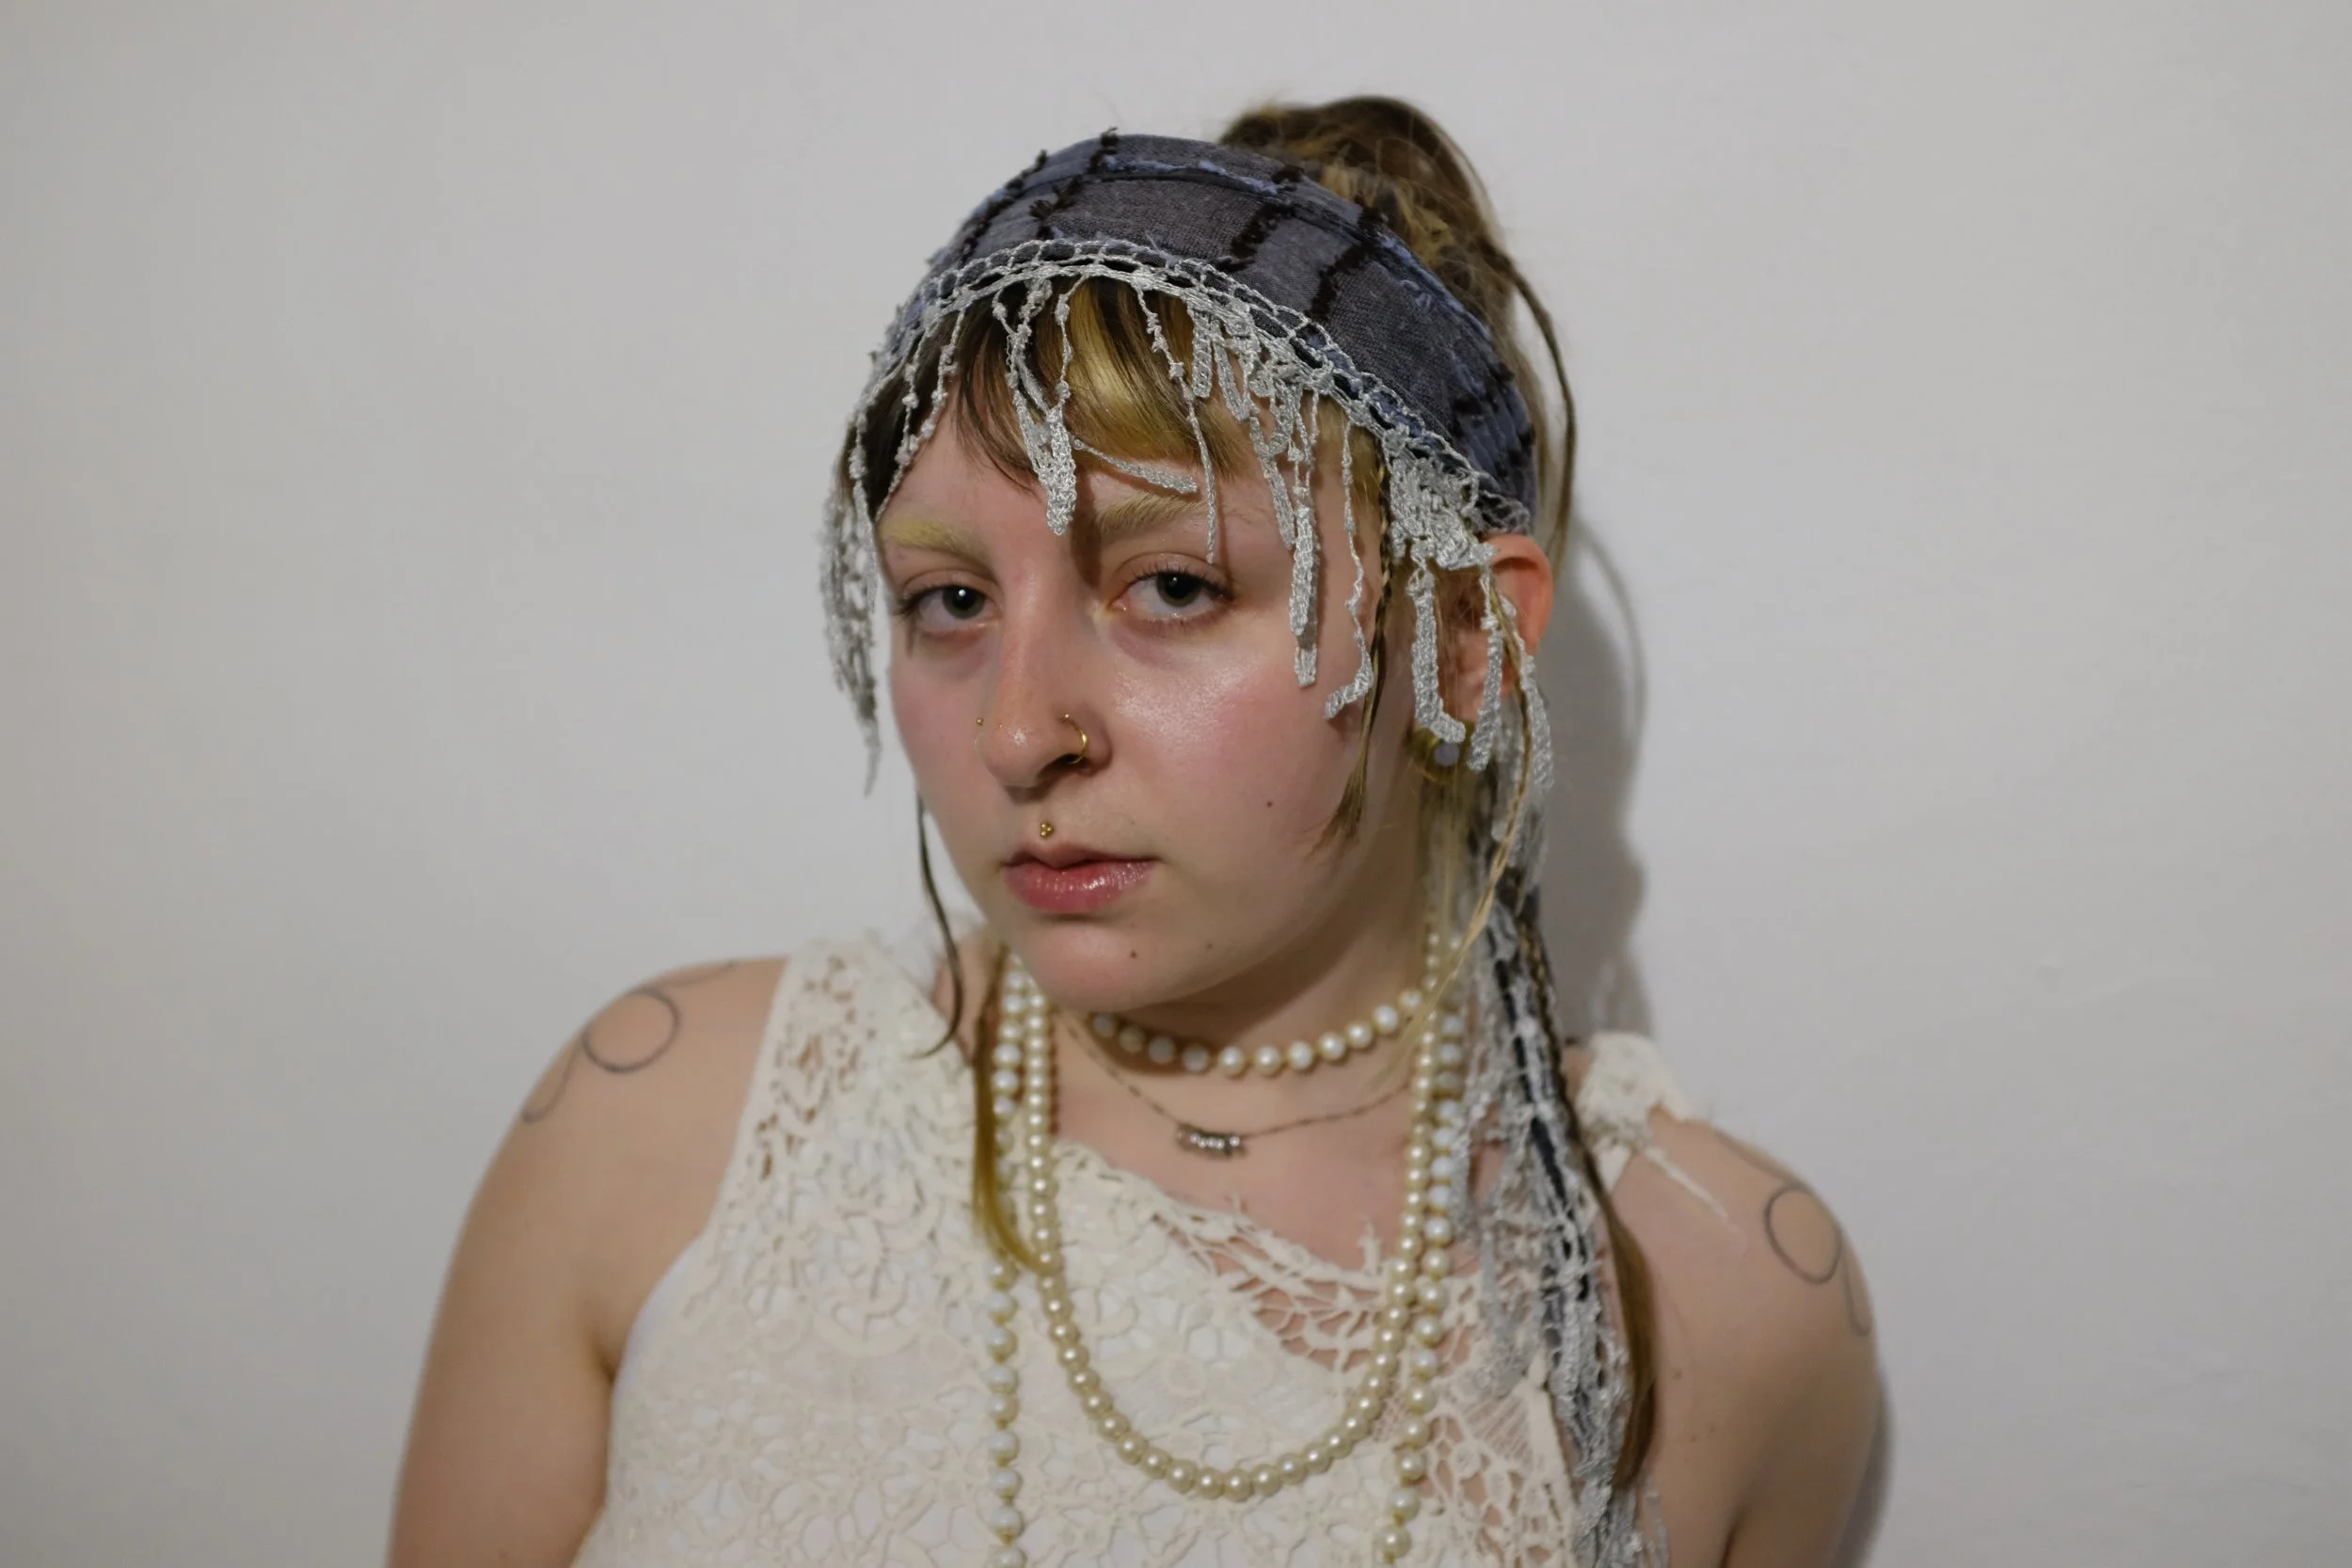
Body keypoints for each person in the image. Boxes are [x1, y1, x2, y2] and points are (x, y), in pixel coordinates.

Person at [389, 98, 1881, 1568]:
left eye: (1171, 586)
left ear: (1463, 640)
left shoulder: (1711, 1303)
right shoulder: (665, 1134)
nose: (1021, 731)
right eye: (951, 601)